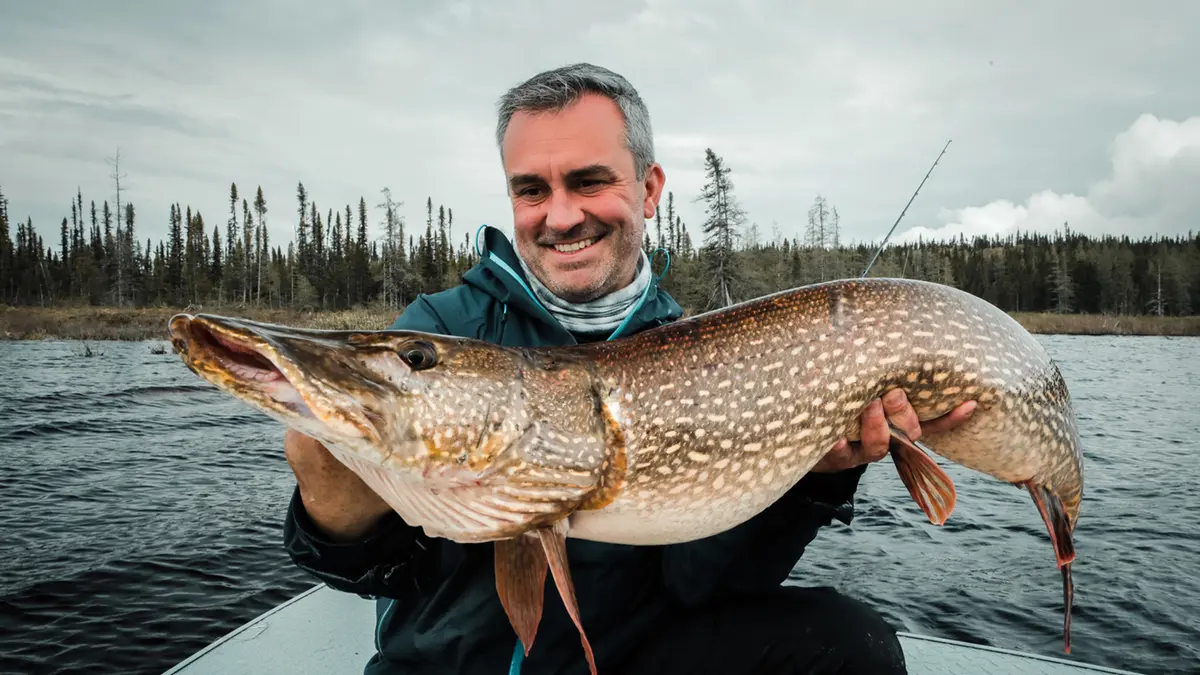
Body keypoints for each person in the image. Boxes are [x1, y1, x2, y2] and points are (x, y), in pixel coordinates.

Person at [282, 63, 976, 675]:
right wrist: (332, 507)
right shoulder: (437, 333)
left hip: (623, 657)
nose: (560, 216)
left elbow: (699, 585)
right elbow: (365, 570)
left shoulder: (698, 352)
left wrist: (813, 480)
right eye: (531, 190)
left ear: (648, 189)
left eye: (589, 181)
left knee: (848, 644)